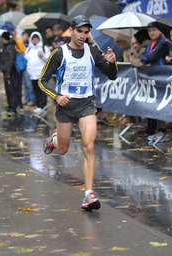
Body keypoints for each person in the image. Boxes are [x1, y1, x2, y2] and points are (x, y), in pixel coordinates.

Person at [39, 15, 117, 210]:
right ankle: (55, 140)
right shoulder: (59, 53)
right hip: (65, 106)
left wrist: (113, 62)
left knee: (89, 147)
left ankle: (89, 194)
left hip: (87, 105)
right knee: (63, 150)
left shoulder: (92, 52)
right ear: (71, 31)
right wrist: (56, 96)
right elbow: (42, 80)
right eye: (79, 31)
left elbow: (112, 75)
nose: (83, 35)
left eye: (86, 32)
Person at [140, 22, 169, 142]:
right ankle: (158, 131)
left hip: (162, 76)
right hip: (153, 77)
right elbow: (143, 56)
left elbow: (149, 57)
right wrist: (146, 57)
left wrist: (147, 57)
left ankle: (164, 132)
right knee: (154, 104)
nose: (151, 33)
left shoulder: (162, 42)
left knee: (161, 104)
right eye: (149, 31)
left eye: (154, 30)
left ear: (159, 31)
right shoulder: (152, 43)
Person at [24, 31, 50, 116]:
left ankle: (43, 107)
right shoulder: (29, 49)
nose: (35, 40)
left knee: (42, 90)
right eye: (33, 38)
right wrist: (28, 70)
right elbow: (27, 60)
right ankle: (39, 106)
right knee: (35, 90)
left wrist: (42, 56)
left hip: (41, 74)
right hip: (32, 74)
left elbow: (49, 60)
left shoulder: (44, 48)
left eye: (37, 38)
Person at [0, 30, 18, 115]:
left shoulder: (10, 47)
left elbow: (11, 60)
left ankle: (13, 107)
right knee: (7, 89)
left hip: (10, 72)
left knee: (11, 89)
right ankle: (10, 105)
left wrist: (8, 71)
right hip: (5, 71)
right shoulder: (5, 46)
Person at [21, 31, 36, 107]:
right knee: (26, 84)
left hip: (29, 67)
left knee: (30, 84)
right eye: (23, 35)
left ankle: (32, 99)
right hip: (23, 67)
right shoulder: (21, 45)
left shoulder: (30, 46)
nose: (25, 37)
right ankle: (27, 99)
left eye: (26, 35)